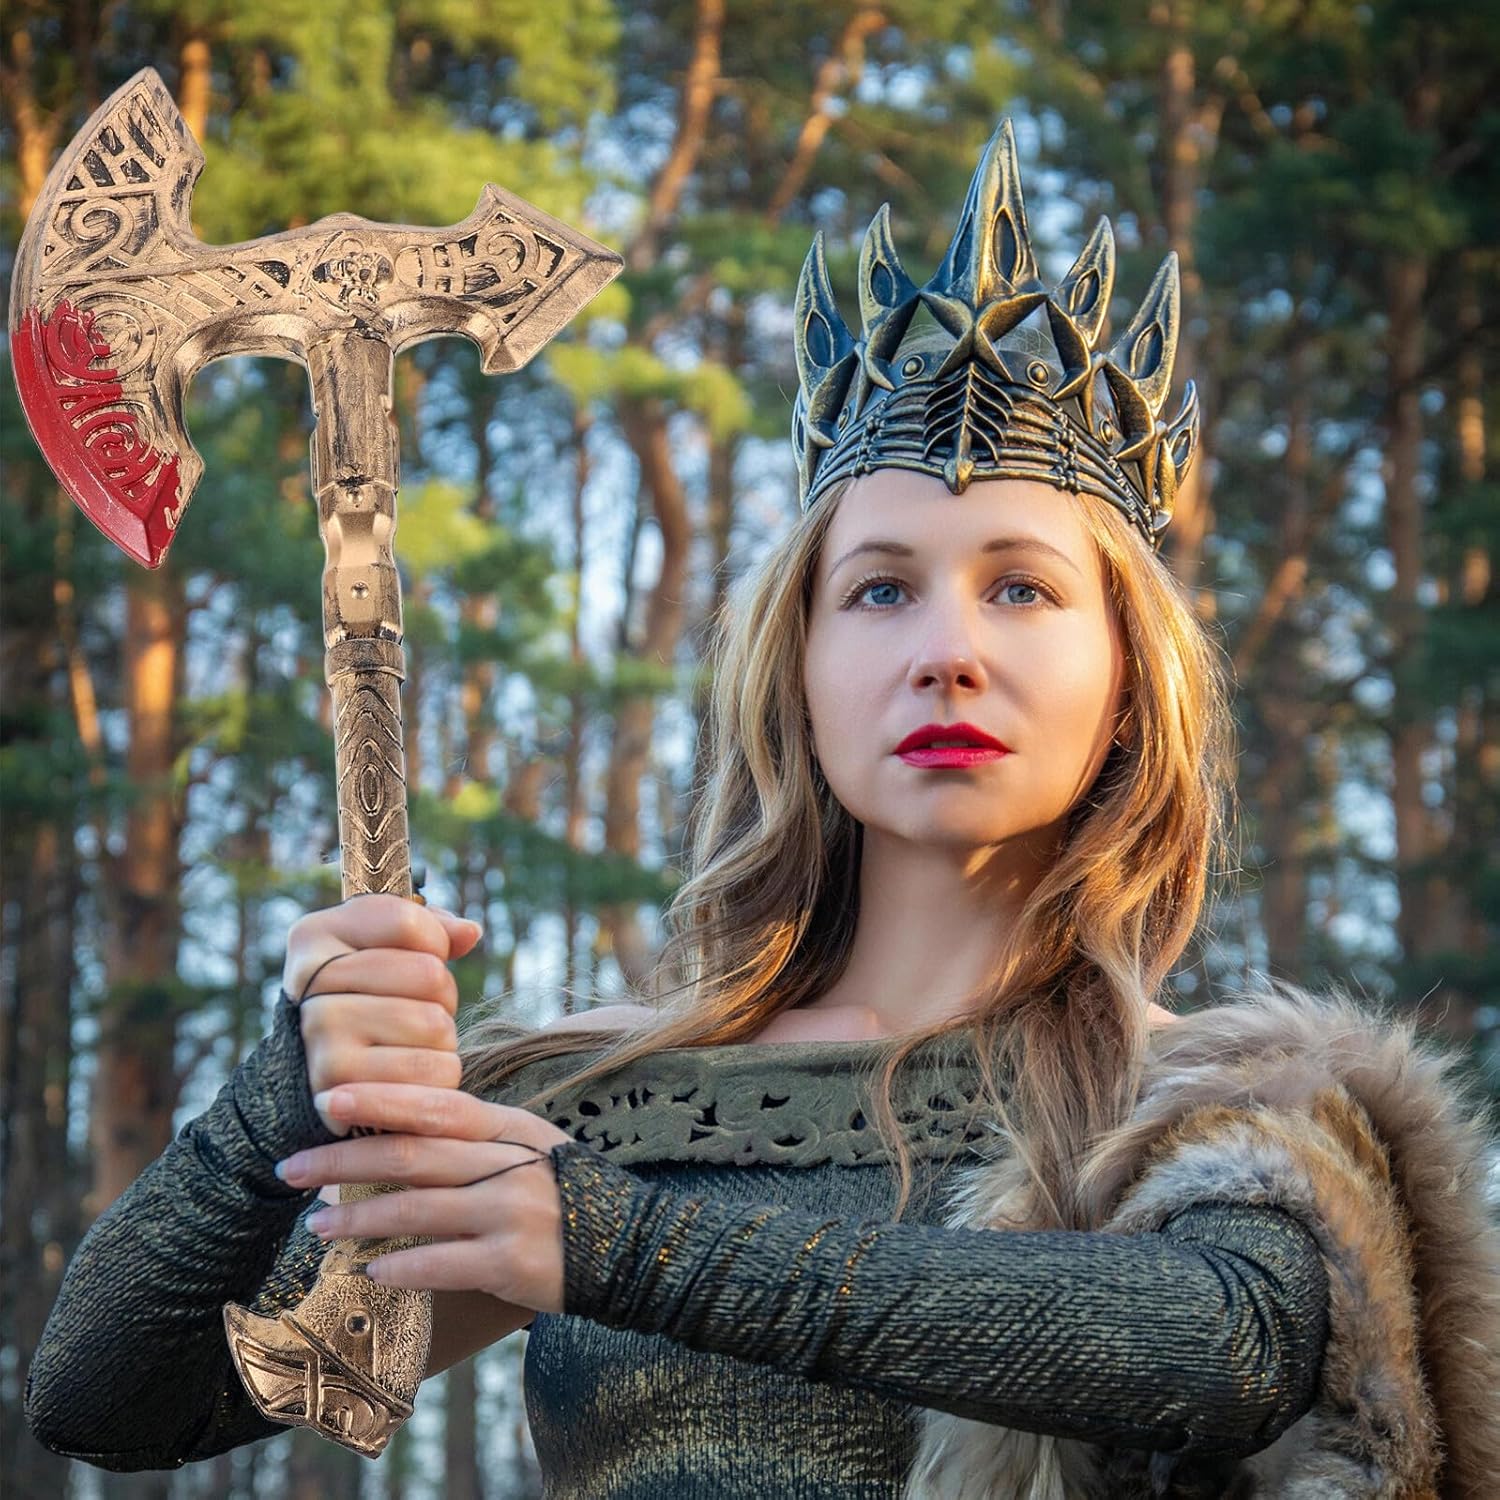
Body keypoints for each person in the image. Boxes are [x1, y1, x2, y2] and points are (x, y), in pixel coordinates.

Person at [23, 119, 1500, 1499]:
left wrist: (619, 1246)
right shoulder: (592, 1109)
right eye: (880, 589)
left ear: (1128, 681)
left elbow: (1217, 1346)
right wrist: (284, 1094)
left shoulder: (1226, 1109)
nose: (948, 649)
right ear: (794, 670)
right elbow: (113, 1400)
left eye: (1022, 588)